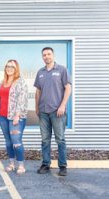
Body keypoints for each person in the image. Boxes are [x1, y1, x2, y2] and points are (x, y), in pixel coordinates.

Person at [34, 47, 71, 176]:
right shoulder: (40, 72)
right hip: (43, 111)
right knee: (45, 140)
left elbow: (68, 88)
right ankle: (46, 164)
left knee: (60, 139)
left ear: (53, 55)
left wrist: (63, 105)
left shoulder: (62, 70)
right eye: (44, 55)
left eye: (49, 54)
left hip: (57, 111)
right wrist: (37, 107)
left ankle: (62, 166)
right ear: (42, 57)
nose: (46, 56)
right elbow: (38, 91)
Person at [0, 60, 28, 175]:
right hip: (3, 116)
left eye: (12, 66)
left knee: (16, 141)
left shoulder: (20, 82)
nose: (9, 68)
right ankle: (11, 163)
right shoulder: (3, 82)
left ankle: (21, 165)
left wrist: (17, 115)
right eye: (7, 66)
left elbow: (22, 100)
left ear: (16, 69)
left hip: (15, 117)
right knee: (8, 142)